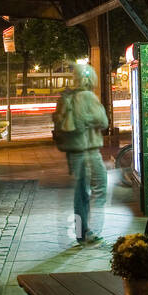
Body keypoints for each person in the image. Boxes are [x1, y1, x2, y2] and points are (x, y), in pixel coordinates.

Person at [54, 63, 109, 246]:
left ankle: (80, 233)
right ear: (90, 78)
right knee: (100, 189)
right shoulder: (87, 96)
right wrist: (90, 120)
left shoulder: (67, 97)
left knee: (80, 194)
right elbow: (103, 121)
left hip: (73, 152)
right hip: (89, 152)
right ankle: (94, 231)